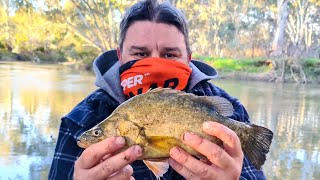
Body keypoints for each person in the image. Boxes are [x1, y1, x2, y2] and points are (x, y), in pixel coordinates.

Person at [49, 0, 267, 179]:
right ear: (120, 56)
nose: (155, 64)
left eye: (170, 54)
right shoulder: (79, 121)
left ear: (189, 59)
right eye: (140, 54)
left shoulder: (233, 113)